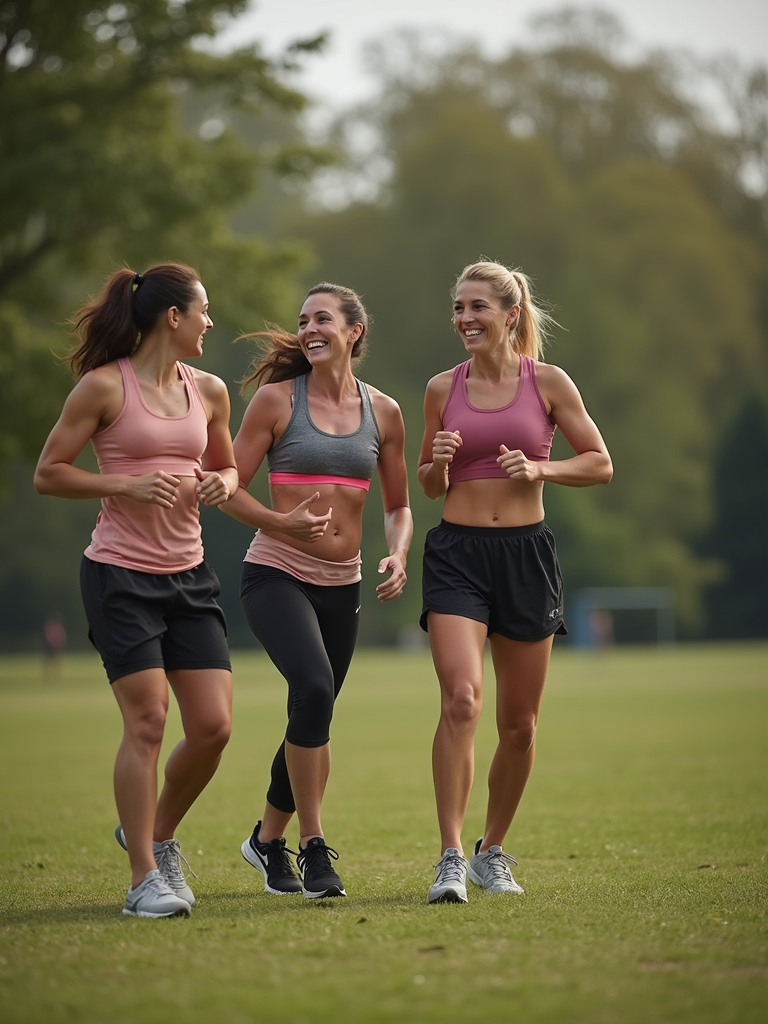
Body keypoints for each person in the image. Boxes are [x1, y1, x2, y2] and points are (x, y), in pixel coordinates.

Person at [34, 263, 238, 918]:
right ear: (172, 318)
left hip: (191, 573)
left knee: (212, 728)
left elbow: (228, 466)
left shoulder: (209, 391)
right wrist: (126, 483)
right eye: (203, 311)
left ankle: (156, 832)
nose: (211, 322)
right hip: (120, 573)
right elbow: (50, 473)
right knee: (148, 721)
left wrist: (223, 485)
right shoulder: (102, 388)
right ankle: (143, 879)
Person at [418, 259, 612, 904]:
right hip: (456, 555)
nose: (465, 319)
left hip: (526, 555)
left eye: (477, 307)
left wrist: (541, 470)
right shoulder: (441, 388)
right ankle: (449, 855)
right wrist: (437, 465)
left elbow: (599, 464)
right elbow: (427, 480)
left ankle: (490, 851)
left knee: (521, 725)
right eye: (458, 308)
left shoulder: (550, 383)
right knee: (461, 700)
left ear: (510, 314)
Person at [222, 282, 412, 899]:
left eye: (323, 318)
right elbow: (230, 486)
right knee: (313, 687)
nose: (309, 329)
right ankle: (312, 845)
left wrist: (399, 551)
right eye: (303, 320)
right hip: (275, 572)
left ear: (355, 330)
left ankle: (266, 841)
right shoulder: (277, 402)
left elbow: (400, 505)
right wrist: (279, 522)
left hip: (344, 583)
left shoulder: (384, 412)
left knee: (314, 710)